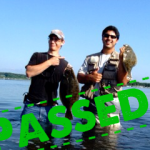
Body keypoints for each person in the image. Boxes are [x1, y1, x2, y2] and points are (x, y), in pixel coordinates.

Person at [77, 25, 130, 127]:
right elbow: (79, 77)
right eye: (106, 35)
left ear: (117, 40)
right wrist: (89, 77)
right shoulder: (90, 58)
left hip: (110, 107)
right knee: (87, 141)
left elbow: (123, 82)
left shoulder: (122, 59)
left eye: (112, 36)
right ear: (102, 37)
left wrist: (122, 61)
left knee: (108, 141)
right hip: (90, 106)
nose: (109, 38)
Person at [21, 29, 71, 123]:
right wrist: (50, 62)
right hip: (31, 107)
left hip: (51, 110)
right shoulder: (37, 56)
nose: (52, 41)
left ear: (62, 42)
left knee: (49, 138)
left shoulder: (65, 64)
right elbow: (29, 72)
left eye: (56, 39)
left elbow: (70, 88)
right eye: (51, 38)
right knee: (27, 137)